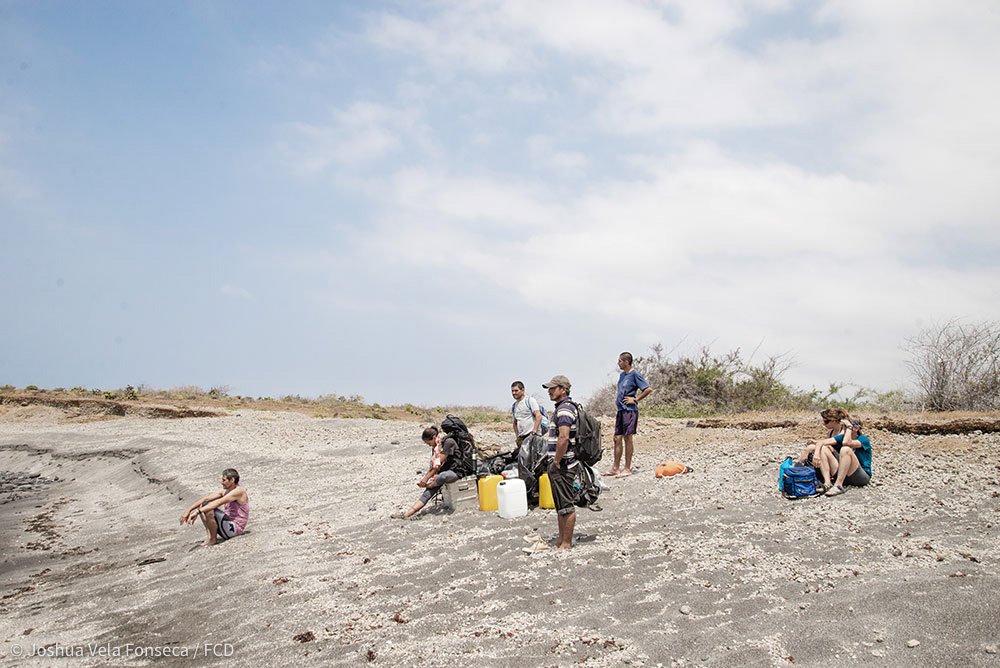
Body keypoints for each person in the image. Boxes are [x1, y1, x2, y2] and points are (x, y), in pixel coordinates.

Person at [397, 425, 473, 519]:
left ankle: (431, 485)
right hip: (446, 470)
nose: (429, 445)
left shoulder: (448, 442)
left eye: (428, 443)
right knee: (428, 491)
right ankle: (407, 514)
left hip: (458, 471)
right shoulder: (437, 446)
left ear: (433, 438)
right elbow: (436, 466)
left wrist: (427, 480)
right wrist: (427, 481)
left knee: (441, 477)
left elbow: (438, 464)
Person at [542, 374, 579, 550]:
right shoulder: (562, 408)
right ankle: (562, 540)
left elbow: (563, 437)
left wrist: (556, 461)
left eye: (553, 388)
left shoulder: (564, 409)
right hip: (560, 464)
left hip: (563, 464)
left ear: (563, 390)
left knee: (566, 505)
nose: (549, 391)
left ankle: (566, 543)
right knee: (560, 505)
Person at [605, 351, 653, 478]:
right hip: (621, 410)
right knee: (616, 438)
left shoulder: (635, 374)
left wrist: (635, 399)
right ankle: (615, 468)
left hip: (630, 411)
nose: (618, 363)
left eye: (620, 361)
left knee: (627, 438)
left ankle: (627, 468)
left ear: (626, 362)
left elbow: (648, 389)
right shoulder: (622, 376)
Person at [179, 468, 250, 546]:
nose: (221, 482)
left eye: (224, 480)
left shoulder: (238, 491)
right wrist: (188, 511)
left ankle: (213, 539)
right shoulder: (225, 491)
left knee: (208, 508)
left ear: (232, 480)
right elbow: (205, 499)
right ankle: (210, 537)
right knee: (203, 504)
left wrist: (197, 512)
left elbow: (218, 502)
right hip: (227, 526)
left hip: (234, 529)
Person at [825, 419, 872, 497]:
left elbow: (846, 443)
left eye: (846, 427)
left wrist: (849, 428)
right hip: (846, 475)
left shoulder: (863, 439)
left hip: (861, 477)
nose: (845, 429)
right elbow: (823, 442)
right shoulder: (842, 437)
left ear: (856, 428)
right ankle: (827, 483)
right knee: (825, 448)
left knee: (845, 449)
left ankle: (838, 485)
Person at [511, 381, 544, 447]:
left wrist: (534, 432)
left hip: (532, 436)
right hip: (522, 437)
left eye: (516, 390)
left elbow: (538, 416)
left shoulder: (530, 401)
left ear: (522, 390)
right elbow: (515, 423)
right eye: (512, 391)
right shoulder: (514, 405)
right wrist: (517, 436)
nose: (514, 393)